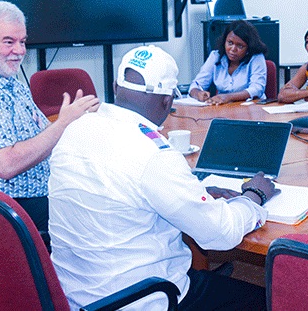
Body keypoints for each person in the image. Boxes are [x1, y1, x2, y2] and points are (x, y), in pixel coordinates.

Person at [48, 45, 277, 310]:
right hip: (142, 299)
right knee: (270, 301)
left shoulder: (74, 128)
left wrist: (193, 188)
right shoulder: (153, 153)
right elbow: (221, 234)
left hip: (76, 297)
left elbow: (122, 183)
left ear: (114, 86)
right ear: (167, 101)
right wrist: (254, 196)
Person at [0, 1, 99, 233]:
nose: (20, 50)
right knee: (101, 208)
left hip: (24, 193)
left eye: (22, 41)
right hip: (3, 211)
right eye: (9, 42)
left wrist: (71, 122)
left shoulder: (4, 79)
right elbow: (6, 164)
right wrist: (64, 123)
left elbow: (41, 132)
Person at [189, 19, 268, 105]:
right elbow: (196, 84)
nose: (233, 49)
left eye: (240, 46)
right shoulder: (216, 56)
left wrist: (227, 97)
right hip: (222, 108)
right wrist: (198, 93)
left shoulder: (256, 58)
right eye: (230, 43)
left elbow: (257, 89)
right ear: (224, 41)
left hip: (252, 109)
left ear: (249, 48)